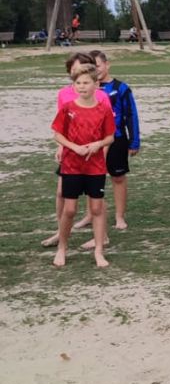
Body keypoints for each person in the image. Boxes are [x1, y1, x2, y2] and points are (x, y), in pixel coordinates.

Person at [42, 52, 113, 249]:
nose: (80, 80)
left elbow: (106, 130)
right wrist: (61, 147)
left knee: (96, 199)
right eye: (74, 71)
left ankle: (102, 236)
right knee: (61, 193)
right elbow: (62, 128)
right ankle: (61, 232)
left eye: (82, 70)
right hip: (71, 154)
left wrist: (102, 152)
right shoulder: (64, 95)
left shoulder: (102, 96)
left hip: (95, 155)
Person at [90, 50, 140, 231]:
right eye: (91, 67)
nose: (95, 70)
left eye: (97, 65)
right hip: (92, 141)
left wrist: (134, 141)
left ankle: (119, 216)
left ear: (107, 65)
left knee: (118, 178)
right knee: (91, 179)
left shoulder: (121, 88)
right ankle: (90, 215)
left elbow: (131, 115)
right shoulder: (86, 88)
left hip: (116, 139)